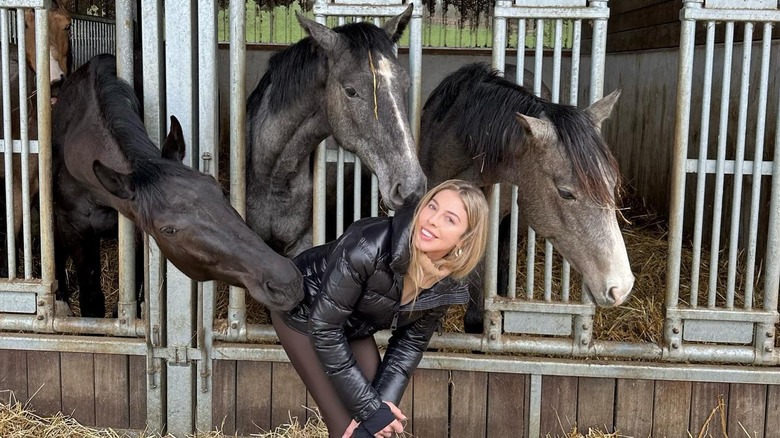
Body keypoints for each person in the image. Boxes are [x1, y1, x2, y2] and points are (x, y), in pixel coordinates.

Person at [269, 179, 489, 438]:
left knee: (374, 430)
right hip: (304, 312)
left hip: (352, 325)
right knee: (347, 430)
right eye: (432, 207)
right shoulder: (367, 246)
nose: (432, 220)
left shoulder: (445, 283)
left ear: (463, 240)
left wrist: (378, 413)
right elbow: (325, 327)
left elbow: (410, 345)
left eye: (449, 219)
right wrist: (370, 410)